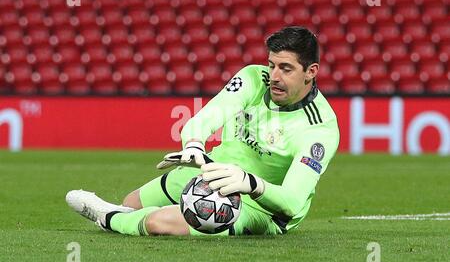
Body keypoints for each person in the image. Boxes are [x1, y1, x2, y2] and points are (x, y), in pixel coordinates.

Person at [66, 26, 340, 236]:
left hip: (262, 206)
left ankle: (107, 217)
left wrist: (250, 183)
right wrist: (194, 145)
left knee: (158, 222)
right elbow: (207, 117)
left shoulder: (320, 129)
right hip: (214, 169)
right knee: (132, 202)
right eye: (272, 65)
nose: (275, 76)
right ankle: (124, 214)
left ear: (311, 71)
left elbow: (291, 202)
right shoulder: (254, 78)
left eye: (286, 68)